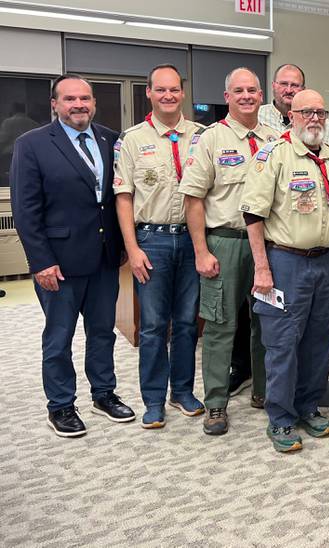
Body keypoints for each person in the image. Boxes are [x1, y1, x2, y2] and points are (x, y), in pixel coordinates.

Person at [10, 74, 134, 437]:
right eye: (70, 99)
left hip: (105, 259)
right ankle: (61, 405)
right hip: (59, 262)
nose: (78, 105)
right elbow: (25, 210)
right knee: (59, 338)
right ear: (55, 104)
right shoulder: (32, 144)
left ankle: (104, 394)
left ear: (93, 102)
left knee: (103, 332)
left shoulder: (111, 139)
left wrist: (122, 246)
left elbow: (115, 198)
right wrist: (41, 262)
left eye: (85, 98)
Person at [240, 89, 329, 452]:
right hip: (286, 261)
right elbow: (253, 215)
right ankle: (281, 417)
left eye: (320, 112)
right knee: (283, 342)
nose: (315, 118)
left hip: (325, 262)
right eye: (306, 112)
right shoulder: (273, 155)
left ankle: (308, 406)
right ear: (291, 115)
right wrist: (261, 268)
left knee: (320, 339)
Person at [180, 67, 279, 435]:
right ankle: (216, 403)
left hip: (269, 245)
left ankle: (264, 391)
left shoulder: (275, 139)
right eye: (239, 91)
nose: (246, 96)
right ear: (227, 97)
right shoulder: (210, 138)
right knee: (221, 325)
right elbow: (193, 198)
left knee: (267, 322)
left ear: (261, 95)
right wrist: (201, 251)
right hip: (226, 242)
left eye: (252, 90)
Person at [113, 64, 205, 429]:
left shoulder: (201, 137)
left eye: (174, 89)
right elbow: (123, 197)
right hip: (152, 240)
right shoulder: (132, 139)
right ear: (149, 93)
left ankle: (182, 392)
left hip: (192, 239)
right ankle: (153, 400)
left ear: (182, 93)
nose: (168, 95)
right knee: (152, 326)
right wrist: (133, 249)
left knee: (186, 323)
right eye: (161, 90)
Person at [258, 64, 329, 159]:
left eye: (295, 85)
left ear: (303, 89)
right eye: (283, 84)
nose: (288, 90)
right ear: (273, 85)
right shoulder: (257, 117)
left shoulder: (324, 125)